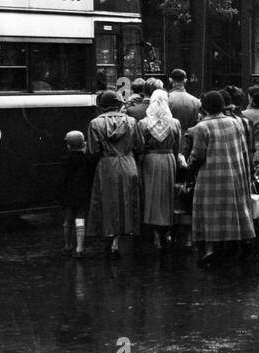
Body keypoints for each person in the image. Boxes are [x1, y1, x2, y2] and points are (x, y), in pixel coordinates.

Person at [187, 91, 256, 268]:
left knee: (210, 211)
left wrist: (189, 168)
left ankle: (211, 249)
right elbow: (243, 149)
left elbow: (198, 155)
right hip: (234, 172)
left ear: (204, 107)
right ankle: (234, 245)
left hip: (210, 174)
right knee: (231, 209)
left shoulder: (203, 127)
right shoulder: (235, 123)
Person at [86, 90, 142, 259]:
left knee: (107, 202)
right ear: (119, 105)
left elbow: (93, 151)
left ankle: (109, 238)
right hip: (127, 163)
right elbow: (139, 145)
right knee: (126, 201)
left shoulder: (95, 124)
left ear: (102, 106)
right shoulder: (132, 122)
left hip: (107, 165)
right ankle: (120, 239)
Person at [136, 88, 182, 252]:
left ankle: (154, 233)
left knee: (151, 196)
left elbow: (140, 147)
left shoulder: (143, 123)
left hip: (150, 160)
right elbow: (178, 147)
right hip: (168, 159)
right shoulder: (174, 123)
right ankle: (167, 230)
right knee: (167, 195)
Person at [58, 130, 93, 257]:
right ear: (83, 144)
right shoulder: (87, 160)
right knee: (80, 221)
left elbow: (61, 180)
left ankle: (67, 245)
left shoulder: (65, 160)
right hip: (83, 195)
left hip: (68, 196)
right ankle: (79, 248)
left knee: (67, 221)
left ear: (68, 145)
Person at [166, 69, 201, 137]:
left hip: (171, 138)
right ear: (185, 81)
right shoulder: (196, 101)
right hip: (190, 139)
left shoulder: (166, 99)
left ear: (170, 80)